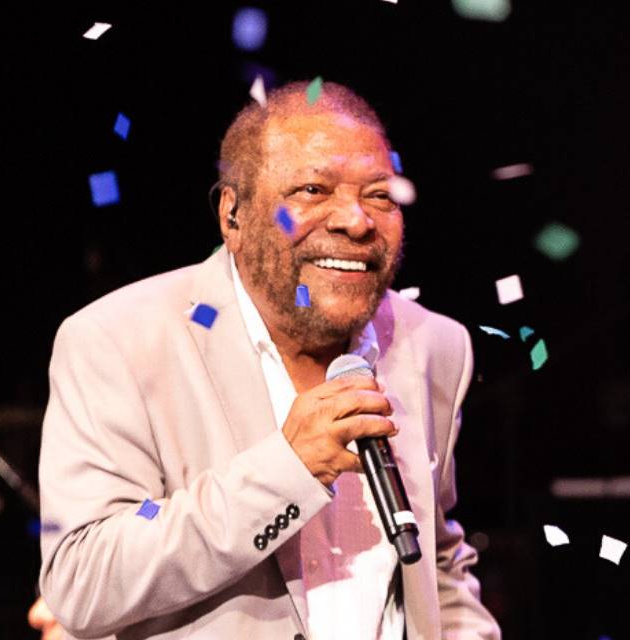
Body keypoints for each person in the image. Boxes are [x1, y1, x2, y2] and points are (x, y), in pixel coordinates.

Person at [37, 80, 500, 639]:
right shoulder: (120, 340)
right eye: (312, 189)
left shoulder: (433, 345)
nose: (356, 220)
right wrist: (288, 470)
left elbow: (437, 559)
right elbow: (83, 579)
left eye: (379, 195)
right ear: (233, 215)